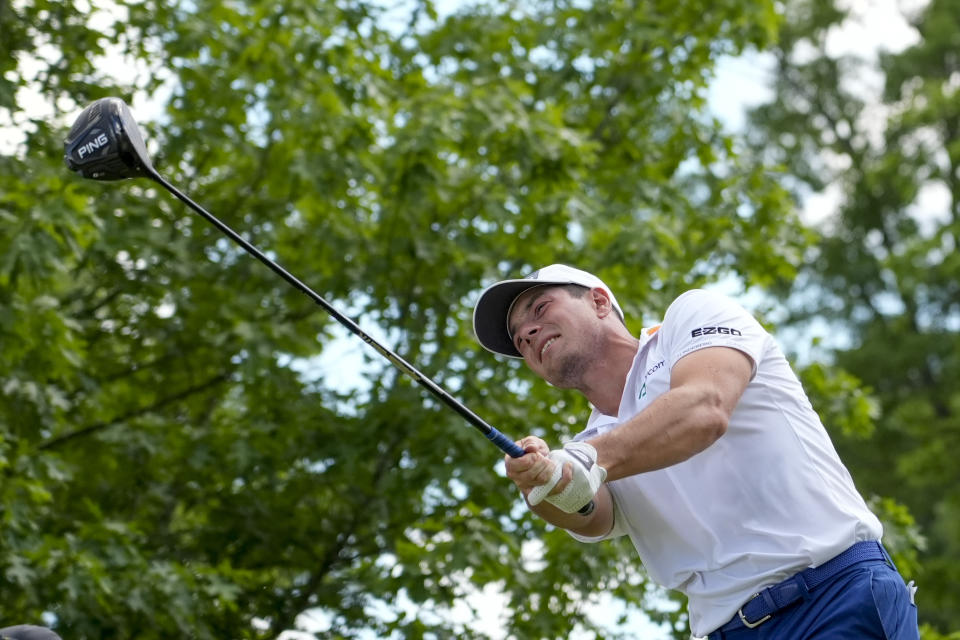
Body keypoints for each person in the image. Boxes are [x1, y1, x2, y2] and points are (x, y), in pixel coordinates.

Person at [472, 264, 919, 639]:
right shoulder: (593, 444)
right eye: (518, 339)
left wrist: (587, 460)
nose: (527, 334)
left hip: (834, 597)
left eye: (540, 308)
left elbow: (706, 407)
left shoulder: (690, 321)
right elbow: (588, 513)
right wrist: (544, 480)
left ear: (600, 301)